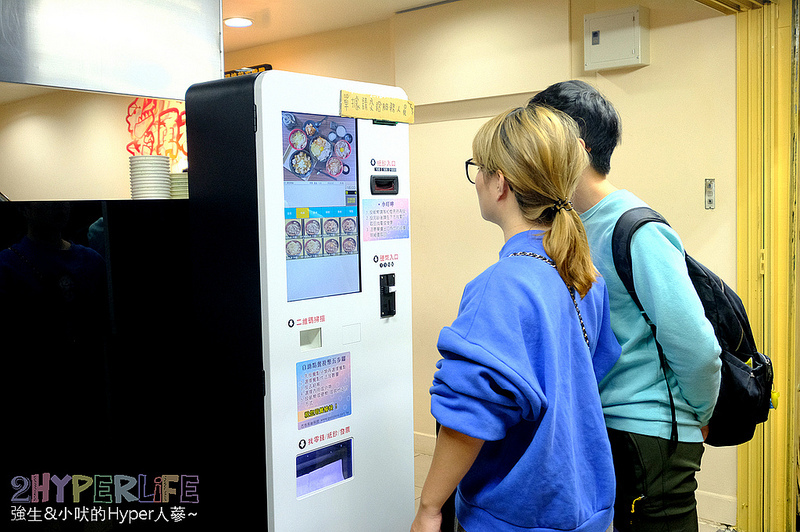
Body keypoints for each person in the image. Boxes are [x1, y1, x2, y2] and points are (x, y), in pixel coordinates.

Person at [411, 105, 621, 532]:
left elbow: (467, 420)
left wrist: (430, 507)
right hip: (583, 507)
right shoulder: (582, 274)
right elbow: (592, 369)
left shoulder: (502, 285)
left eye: (478, 169)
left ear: (499, 183)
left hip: (519, 516)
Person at [529, 80, 722, 531]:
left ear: (573, 149)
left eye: (539, 139)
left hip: (648, 434)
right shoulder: (566, 224)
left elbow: (695, 347)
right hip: (598, 428)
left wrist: (704, 413)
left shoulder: (634, 228)